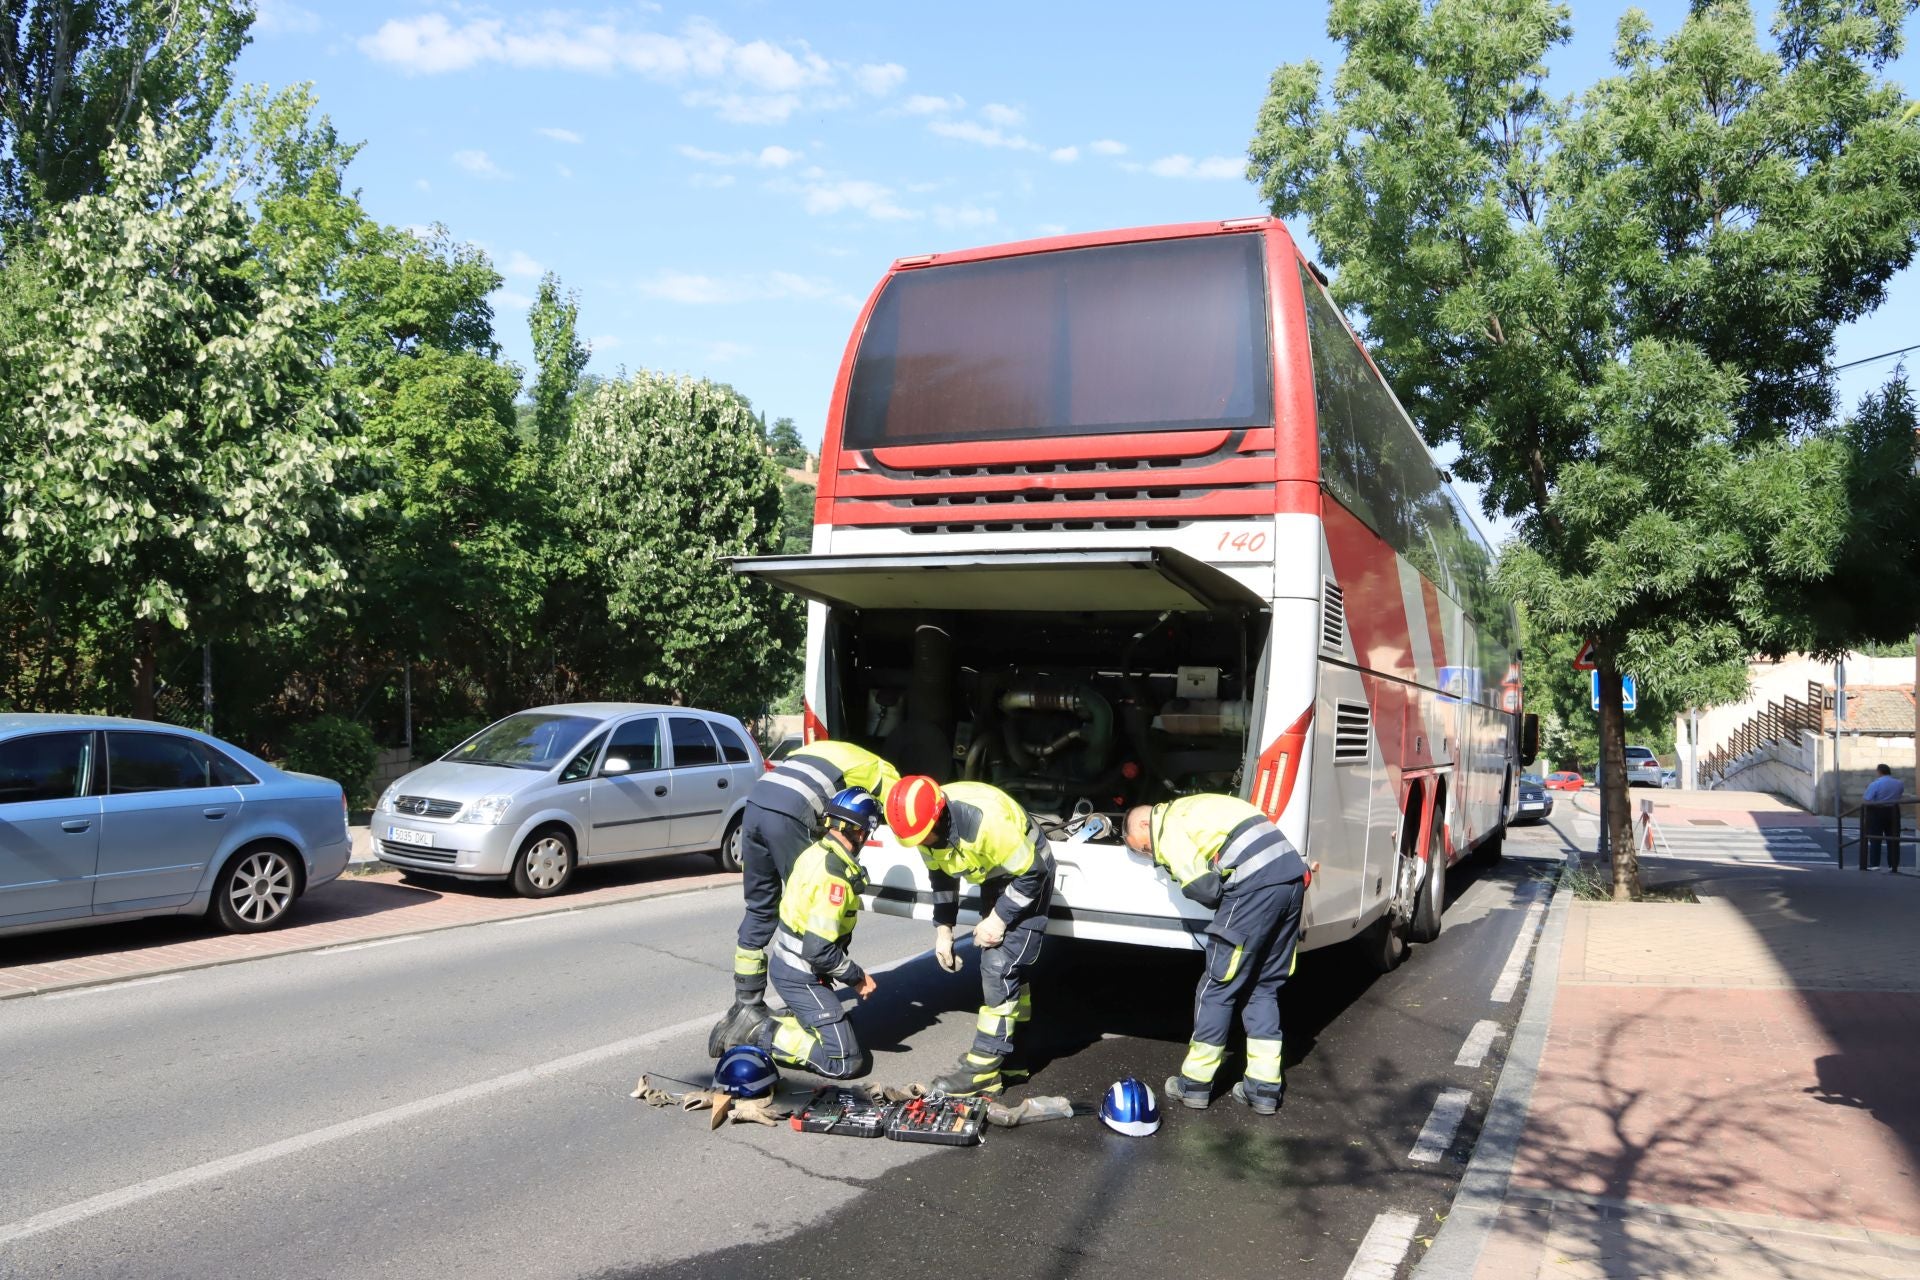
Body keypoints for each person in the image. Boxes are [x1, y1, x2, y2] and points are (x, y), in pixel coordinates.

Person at [709, 739, 900, 1055]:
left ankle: (745, 1005)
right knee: (812, 907)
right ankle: (810, 1007)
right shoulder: (883, 772)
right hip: (792, 814)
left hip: (755, 804)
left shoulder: (831, 748)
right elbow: (899, 815)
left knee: (760, 907)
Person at [1123, 794, 1310, 1115]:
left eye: (1142, 846)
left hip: (1254, 888)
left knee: (1216, 986)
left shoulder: (1168, 826)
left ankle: (1195, 1084)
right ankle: (1263, 1089)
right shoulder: (1199, 807)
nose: (1149, 853)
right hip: (1291, 882)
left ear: (1144, 823)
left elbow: (1206, 890)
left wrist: (1189, 876)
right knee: (1262, 987)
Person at [885, 777, 1056, 1096]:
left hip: (1028, 871)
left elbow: (1033, 873)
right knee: (1011, 974)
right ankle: (1014, 1057)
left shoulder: (986, 825)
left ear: (940, 816)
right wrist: (944, 930)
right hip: (996, 874)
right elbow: (941, 877)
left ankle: (985, 1067)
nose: (924, 844)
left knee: (999, 966)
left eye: (926, 837)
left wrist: (998, 918)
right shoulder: (924, 832)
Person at [719, 787, 883, 1079]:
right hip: (801, 974)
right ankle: (759, 1031)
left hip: (794, 968)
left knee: (841, 1028)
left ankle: (786, 1021)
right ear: (860, 832)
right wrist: (857, 978)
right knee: (845, 1061)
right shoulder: (835, 879)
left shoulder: (815, 851)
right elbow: (818, 950)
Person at [1862, 763, 1905, 872]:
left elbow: (1867, 800)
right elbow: (1899, 796)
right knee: (1893, 839)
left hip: (1877, 811)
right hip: (1894, 811)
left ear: (1879, 772)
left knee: (1875, 838)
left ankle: (1875, 865)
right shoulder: (1899, 783)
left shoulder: (1875, 784)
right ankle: (1893, 865)